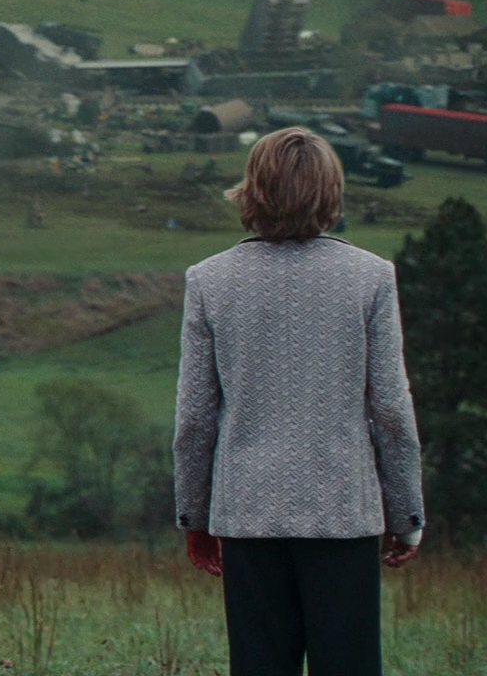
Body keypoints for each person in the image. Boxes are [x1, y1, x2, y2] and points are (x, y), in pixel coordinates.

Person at [173, 127, 425, 676]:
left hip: (247, 516)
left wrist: (194, 515)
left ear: (253, 189)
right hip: (343, 513)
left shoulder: (210, 281)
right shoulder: (370, 278)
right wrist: (406, 512)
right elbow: (391, 409)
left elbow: (194, 419)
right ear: (330, 190)